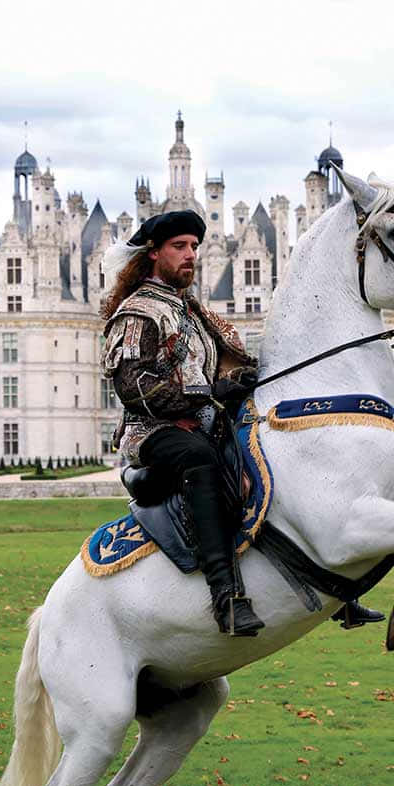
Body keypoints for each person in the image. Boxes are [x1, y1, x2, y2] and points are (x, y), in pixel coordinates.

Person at [100, 210, 264, 636]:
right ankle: (225, 595)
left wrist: (235, 381)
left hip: (203, 421)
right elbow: (133, 384)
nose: (191, 254)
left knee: (265, 451)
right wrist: (205, 398)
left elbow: (211, 370)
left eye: (193, 246)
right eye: (179, 247)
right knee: (199, 460)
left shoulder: (191, 311)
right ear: (153, 253)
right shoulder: (138, 311)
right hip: (152, 432)